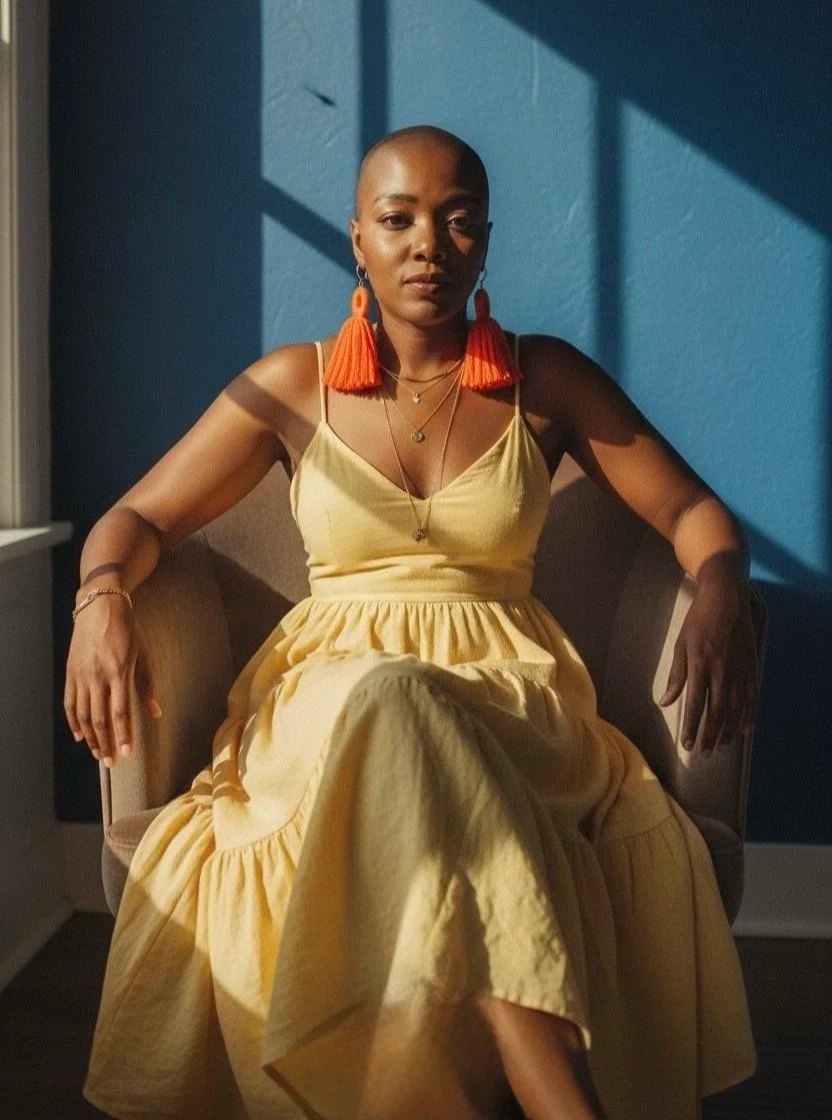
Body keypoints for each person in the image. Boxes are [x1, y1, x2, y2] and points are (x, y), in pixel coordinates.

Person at [66, 126, 758, 1120]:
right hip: (325, 700)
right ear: (357, 239)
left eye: (457, 220)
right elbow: (137, 518)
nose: (427, 242)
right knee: (388, 693)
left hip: (508, 701)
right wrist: (100, 600)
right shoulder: (290, 385)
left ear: (484, 245)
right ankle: (562, 1096)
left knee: (415, 720)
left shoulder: (544, 376)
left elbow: (690, 511)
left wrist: (723, 579)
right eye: (397, 220)